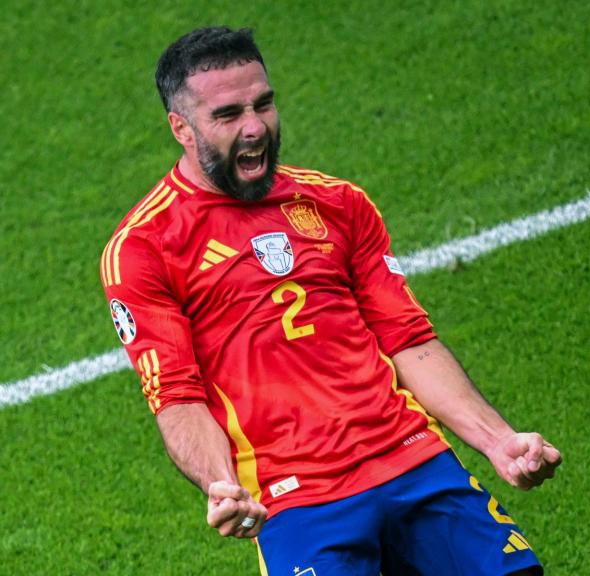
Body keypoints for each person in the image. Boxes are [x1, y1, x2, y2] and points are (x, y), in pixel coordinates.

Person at [100, 26, 561, 575]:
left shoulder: (336, 203)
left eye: (263, 104)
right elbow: (177, 395)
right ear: (181, 127)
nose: (255, 128)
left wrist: (498, 440)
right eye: (227, 115)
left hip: (412, 456)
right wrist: (222, 485)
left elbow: (408, 339)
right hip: (297, 499)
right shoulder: (145, 247)